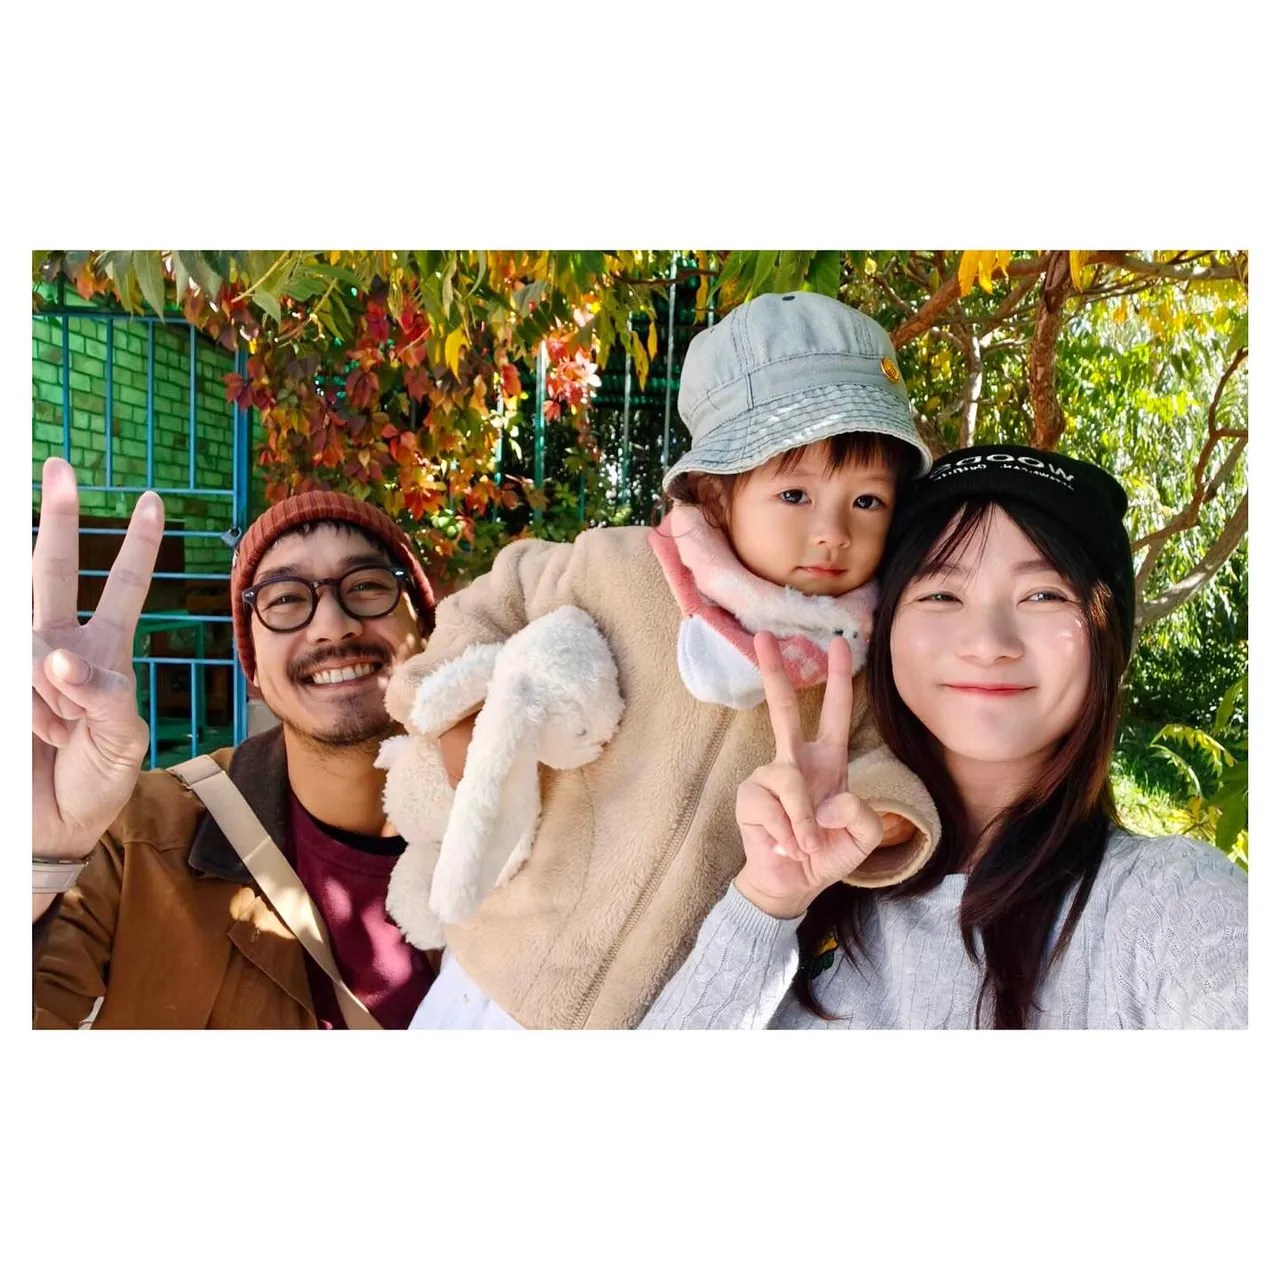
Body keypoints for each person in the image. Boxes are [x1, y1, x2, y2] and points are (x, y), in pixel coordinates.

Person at [387, 292, 943, 1030]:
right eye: (794, 493)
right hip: (489, 977)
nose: (832, 532)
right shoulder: (617, 569)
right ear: (716, 495)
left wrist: (882, 819)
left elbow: (882, 765)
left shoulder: (860, 658)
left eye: (867, 501)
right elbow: (490, 601)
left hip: (661, 1005)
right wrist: (462, 719)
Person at [641, 445, 1248, 1029]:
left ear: (1106, 636)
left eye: (1043, 594)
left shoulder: (1171, 905)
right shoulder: (802, 873)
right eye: (941, 594)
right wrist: (769, 900)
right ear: (885, 629)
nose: (987, 644)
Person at [32, 457, 438, 1028]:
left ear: (426, 630)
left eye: (368, 586)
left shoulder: (523, 831)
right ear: (253, 669)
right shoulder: (138, 840)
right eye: (285, 599)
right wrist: (38, 858)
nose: (332, 625)